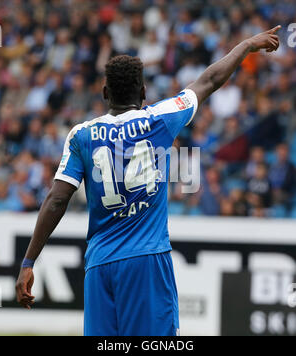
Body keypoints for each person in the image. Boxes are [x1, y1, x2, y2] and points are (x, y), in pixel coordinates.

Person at [16, 26, 281, 336]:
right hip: (147, 260)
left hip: (99, 265)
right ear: (143, 93)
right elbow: (209, 80)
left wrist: (28, 261)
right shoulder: (160, 118)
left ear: (105, 93)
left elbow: (57, 199)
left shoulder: (82, 135)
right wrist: (246, 44)